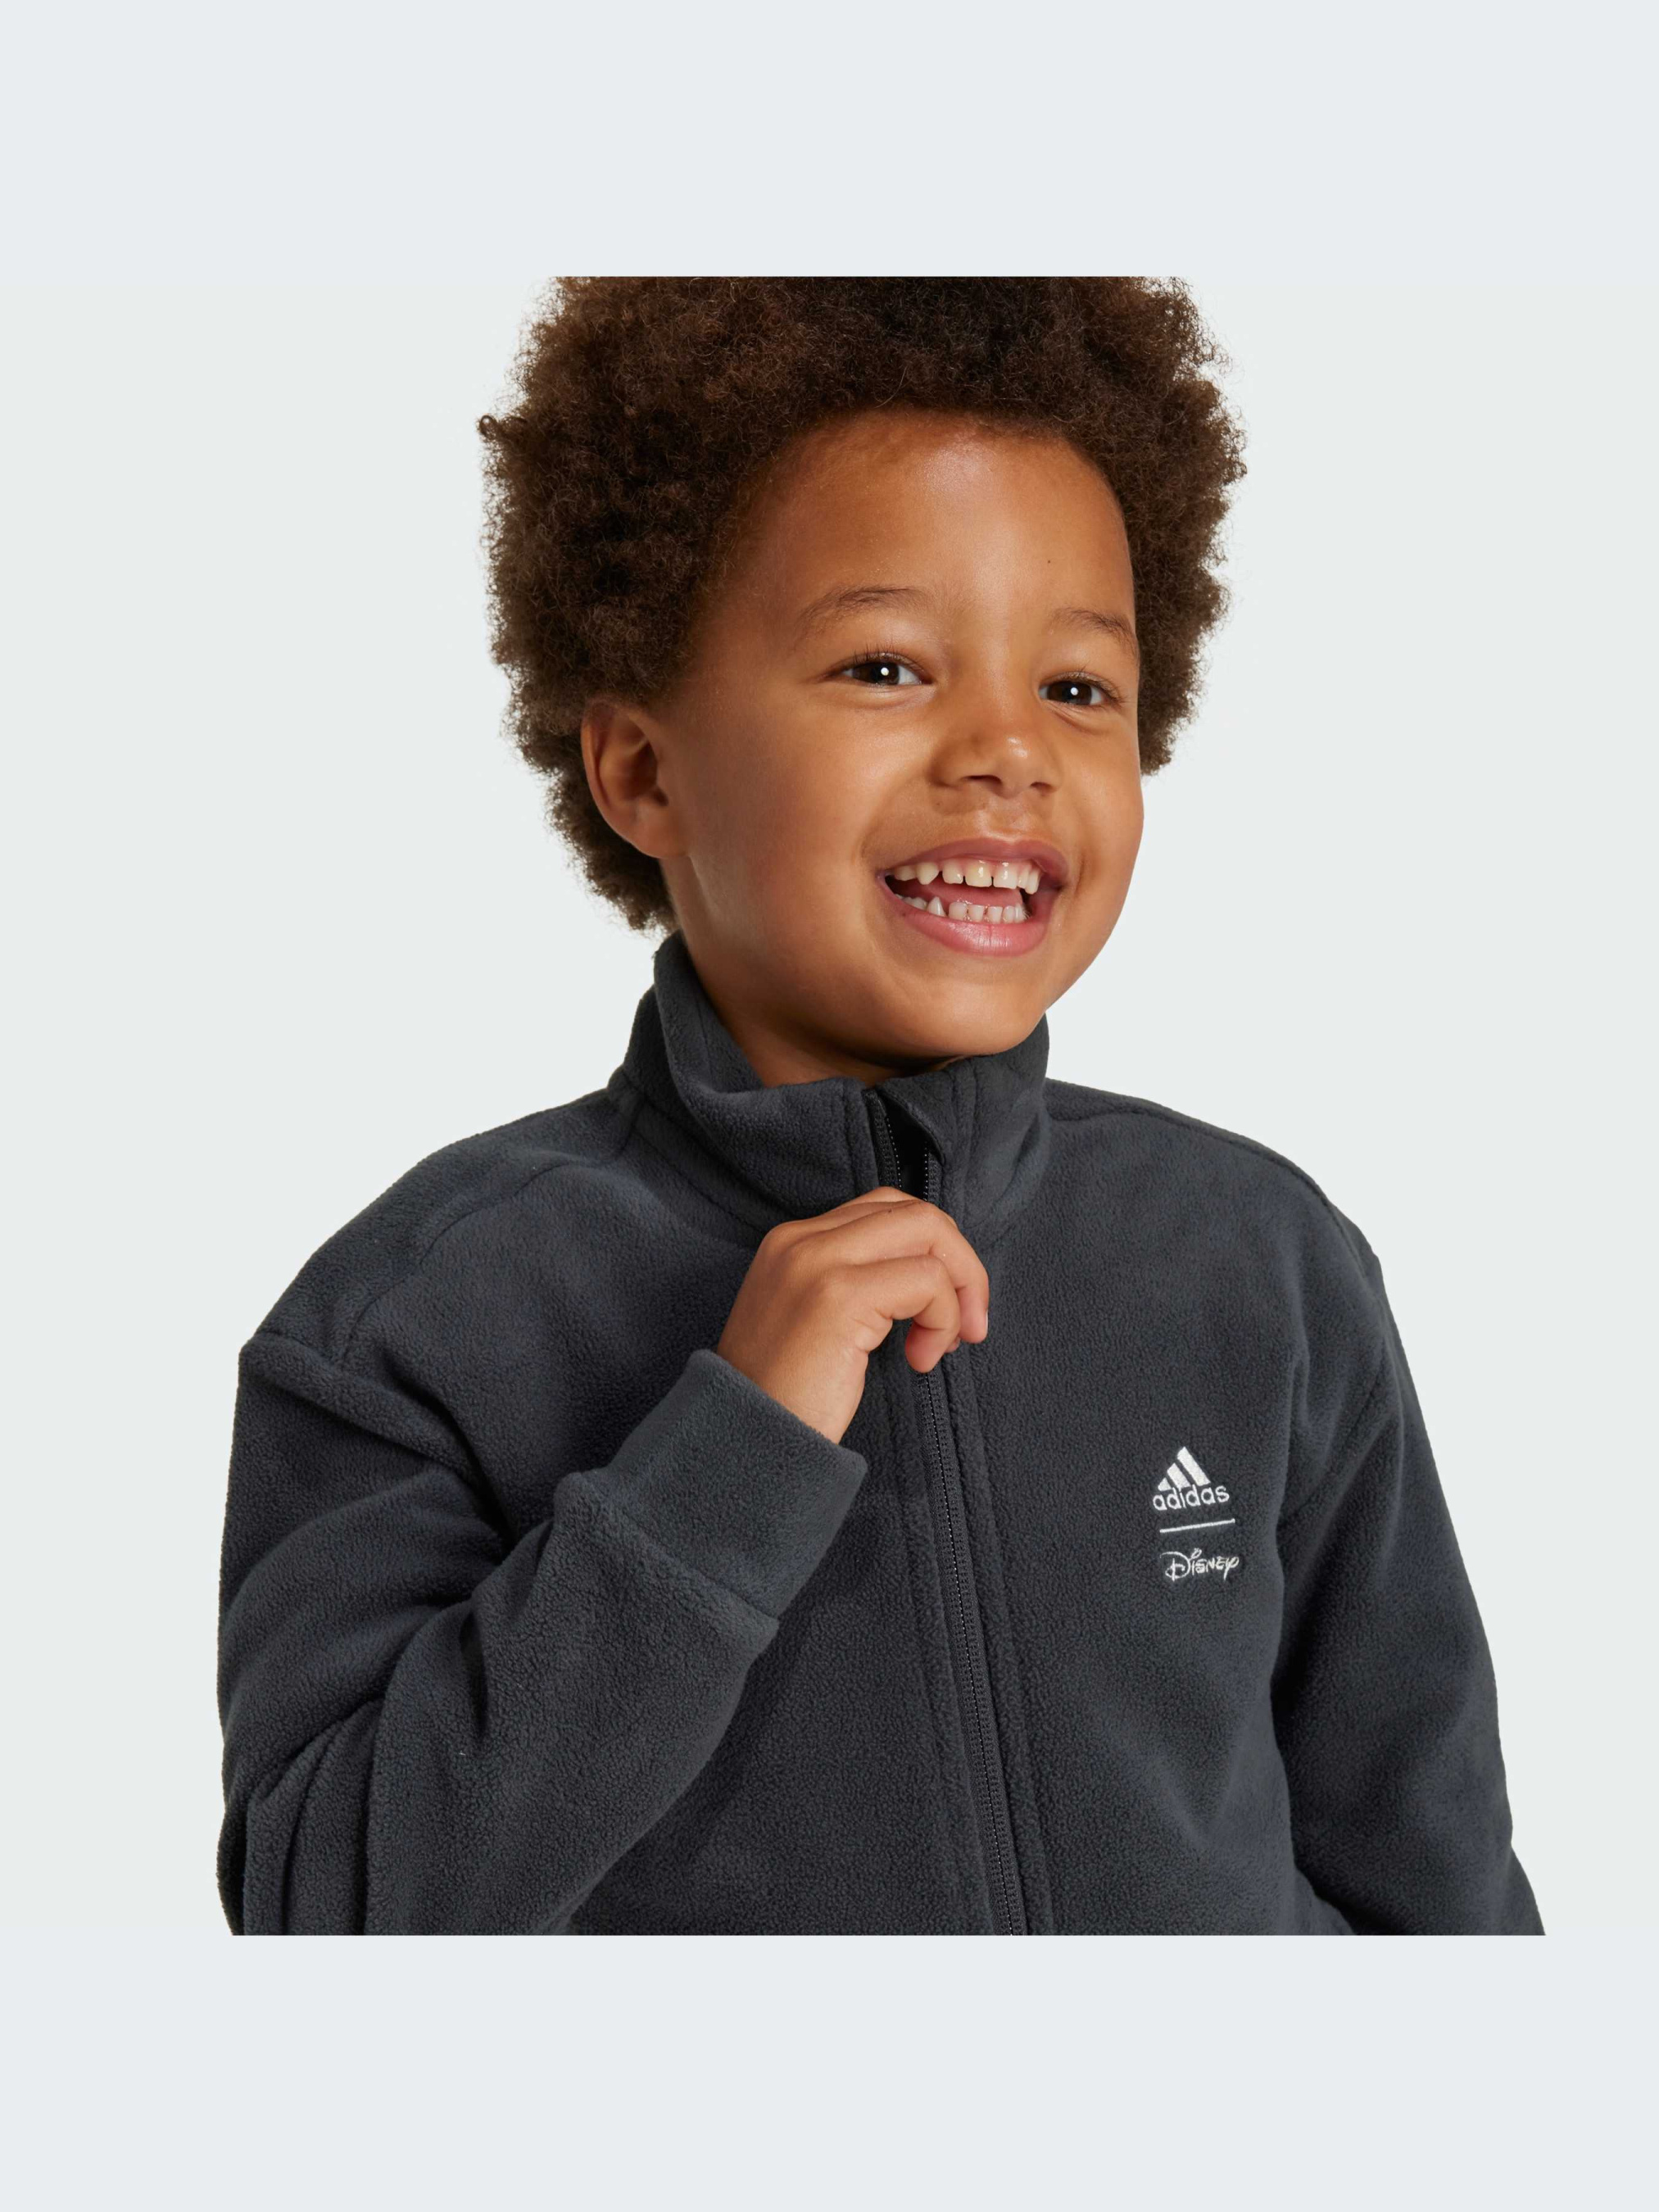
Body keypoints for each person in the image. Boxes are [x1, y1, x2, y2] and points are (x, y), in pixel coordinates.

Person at [215, 277, 1540, 1934]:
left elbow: (1432, 1868)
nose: (1006, 751)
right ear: (641, 771)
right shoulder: (417, 1320)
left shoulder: (1256, 1257)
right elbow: (326, 1918)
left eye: (1077, 689)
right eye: (886, 665)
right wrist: (729, 1459)